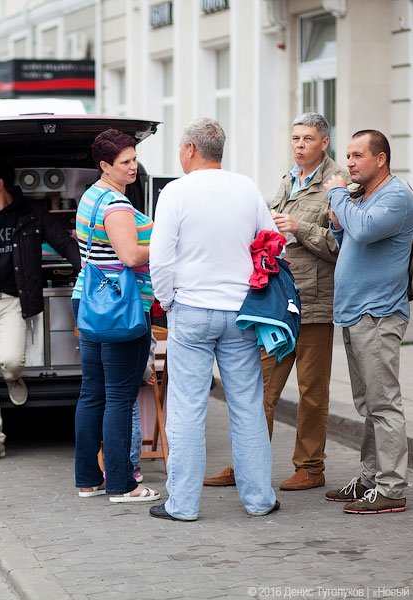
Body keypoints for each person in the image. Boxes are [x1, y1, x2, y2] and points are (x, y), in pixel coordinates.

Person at [205, 113, 347, 491]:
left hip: (315, 304)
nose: (299, 145)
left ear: (324, 142)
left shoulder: (337, 183)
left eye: (307, 139)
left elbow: (341, 245)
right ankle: (245, 464)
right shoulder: (288, 180)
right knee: (259, 387)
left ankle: (311, 468)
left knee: (311, 393)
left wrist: (299, 228)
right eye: (295, 138)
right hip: (279, 303)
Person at [148, 118, 279, 521]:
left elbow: (161, 258)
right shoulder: (247, 188)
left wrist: (169, 303)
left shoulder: (175, 192)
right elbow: (273, 243)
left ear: (189, 149)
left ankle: (183, 505)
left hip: (191, 309)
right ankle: (259, 500)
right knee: (247, 406)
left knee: (187, 408)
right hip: (240, 311)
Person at [0, 159, 80, 462]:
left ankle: (13, 378)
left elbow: (63, 242)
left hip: (12, 302)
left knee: (10, 362)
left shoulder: (32, 214)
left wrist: (87, 271)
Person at [323, 130, 413, 514]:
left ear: (381, 159)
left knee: (384, 403)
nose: (349, 163)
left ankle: (392, 487)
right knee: (368, 405)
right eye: (347, 155)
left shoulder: (396, 196)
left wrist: (336, 194)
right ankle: (370, 477)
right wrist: (336, 221)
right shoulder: (363, 197)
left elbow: (361, 228)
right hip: (355, 313)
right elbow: (351, 240)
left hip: (378, 315)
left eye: (358, 155)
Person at [70, 130, 158, 503]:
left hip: (90, 303)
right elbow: (131, 256)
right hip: (121, 309)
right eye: (125, 162)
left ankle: (88, 479)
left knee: (92, 393)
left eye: (135, 158)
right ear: (106, 165)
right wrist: (168, 244)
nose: (133, 166)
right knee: (120, 398)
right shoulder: (116, 205)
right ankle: (123, 484)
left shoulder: (91, 196)